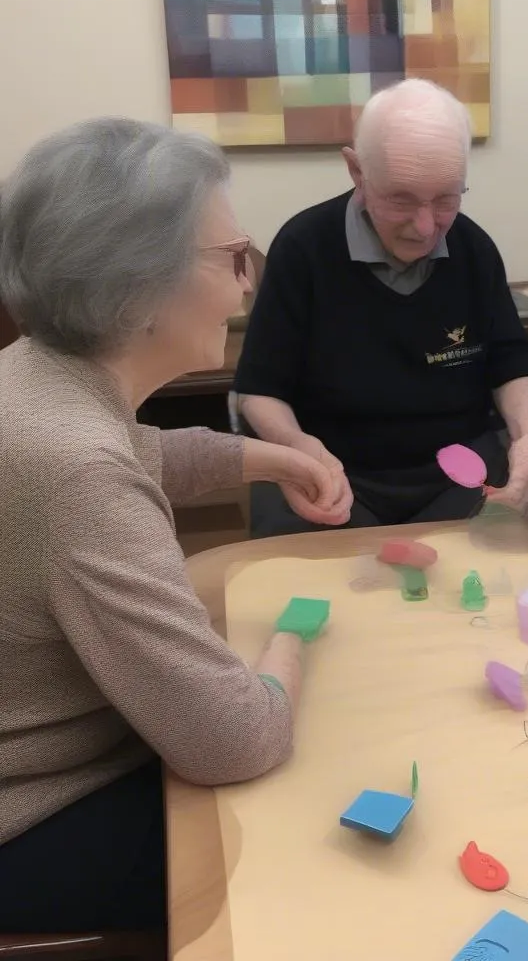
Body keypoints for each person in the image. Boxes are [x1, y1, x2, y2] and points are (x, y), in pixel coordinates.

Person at [0, 118, 346, 932]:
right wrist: (288, 643)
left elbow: (137, 453)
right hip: (32, 820)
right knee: (312, 836)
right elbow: (236, 741)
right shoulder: (75, 470)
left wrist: (270, 459)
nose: (244, 287)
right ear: (139, 287)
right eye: (232, 259)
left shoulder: (31, 378)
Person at [235, 78, 528, 537]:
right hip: (335, 472)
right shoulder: (304, 247)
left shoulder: (473, 248)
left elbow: (510, 362)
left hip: (458, 474)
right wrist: (297, 447)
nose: (425, 228)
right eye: (401, 199)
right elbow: (259, 389)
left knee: (482, 587)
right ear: (357, 171)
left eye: (446, 199)